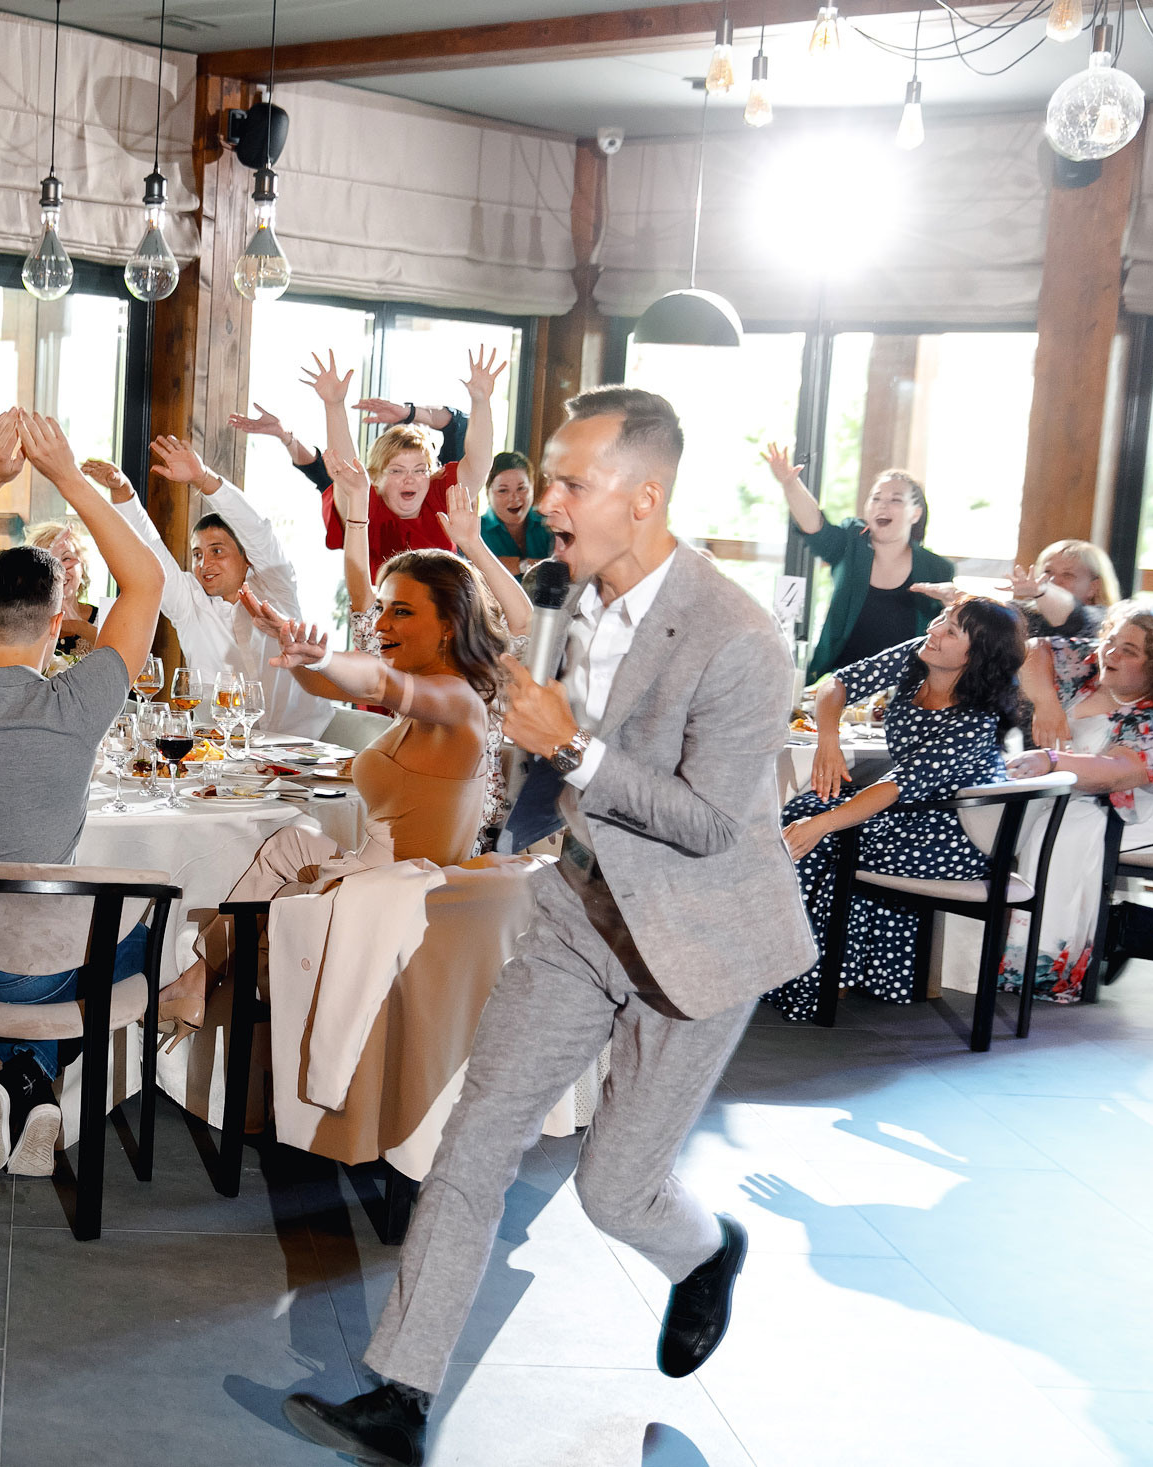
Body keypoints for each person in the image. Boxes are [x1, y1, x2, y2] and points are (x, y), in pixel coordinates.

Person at [282, 388, 814, 1467]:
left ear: (644, 498)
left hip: (699, 938)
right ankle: (400, 1395)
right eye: (553, 479)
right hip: (577, 909)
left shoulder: (739, 638)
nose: (550, 502)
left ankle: (705, 1253)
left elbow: (715, 826)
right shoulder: (563, 596)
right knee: (473, 1142)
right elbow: (453, 688)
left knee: (614, 1190)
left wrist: (574, 753)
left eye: (573, 483)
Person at [0, 408, 162, 1178]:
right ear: (58, 625)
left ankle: (20, 1079)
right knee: (150, 934)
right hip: (43, 970)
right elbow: (145, 580)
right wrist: (69, 476)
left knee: (26, 929)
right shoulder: (78, 703)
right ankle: (34, 1077)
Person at [160, 547, 509, 1039]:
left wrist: (322, 653)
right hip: (376, 875)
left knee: (265, 900)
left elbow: (379, 681)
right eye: (383, 607)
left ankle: (197, 987)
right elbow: (326, 686)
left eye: (401, 612)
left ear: (449, 625)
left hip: (391, 902)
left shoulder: (458, 701)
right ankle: (197, 982)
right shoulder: (434, 693)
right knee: (288, 841)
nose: (381, 623)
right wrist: (287, 641)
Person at [767, 599, 1028, 1021]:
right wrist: (827, 743)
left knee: (823, 836)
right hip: (910, 812)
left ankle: (812, 981)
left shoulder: (975, 719)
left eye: (951, 631)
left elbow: (895, 786)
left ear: (976, 655)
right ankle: (780, 967)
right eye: (942, 619)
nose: (935, 630)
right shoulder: (918, 657)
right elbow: (838, 684)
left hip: (955, 835)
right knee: (798, 814)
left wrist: (821, 825)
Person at [89, 436, 333, 740]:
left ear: (247, 559)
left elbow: (257, 531)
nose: (204, 564)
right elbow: (151, 553)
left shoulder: (276, 586)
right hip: (223, 756)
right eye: (197, 554)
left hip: (306, 750)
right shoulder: (189, 603)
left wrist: (203, 479)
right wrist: (123, 493)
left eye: (217, 551)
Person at [1000, 603, 1153, 1001]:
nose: (1110, 653)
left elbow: (1117, 770)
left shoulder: (1151, 715)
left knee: (1064, 827)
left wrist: (1052, 758)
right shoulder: (1089, 669)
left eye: (1129, 651)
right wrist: (1047, 703)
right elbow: (1033, 649)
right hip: (1062, 792)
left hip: (1129, 813)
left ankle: (1041, 965)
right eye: (1110, 641)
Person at [229, 374, 470, 573]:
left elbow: (460, 424)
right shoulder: (362, 493)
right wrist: (287, 436)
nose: (411, 473)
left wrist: (411, 412)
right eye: (398, 467)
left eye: (419, 466)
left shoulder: (441, 483)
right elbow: (319, 466)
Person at [764, 445, 957, 681]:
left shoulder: (937, 568)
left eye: (895, 500)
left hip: (906, 688)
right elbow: (814, 526)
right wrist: (790, 483)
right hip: (839, 682)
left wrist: (954, 606)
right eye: (876, 498)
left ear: (915, 514)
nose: (882, 505)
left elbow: (949, 639)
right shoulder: (850, 543)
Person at [1007, 538, 1119, 640]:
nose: (1052, 580)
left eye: (1067, 575)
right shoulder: (1018, 612)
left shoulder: (1104, 621)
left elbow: (1072, 618)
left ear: (1093, 587)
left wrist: (1041, 593)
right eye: (1047, 572)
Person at [25, 518, 105, 660]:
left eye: (67, 558)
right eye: (49, 561)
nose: (59, 570)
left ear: (82, 568)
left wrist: (79, 626)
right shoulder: (19, 620)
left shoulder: (105, 619)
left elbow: (125, 662)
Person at [478, 449, 554, 570]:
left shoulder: (550, 523)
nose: (514, 498)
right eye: (503, 490)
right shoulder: (476, 531)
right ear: (488, 493)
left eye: (521, 488)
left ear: (532, 487)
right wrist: (526, 565)